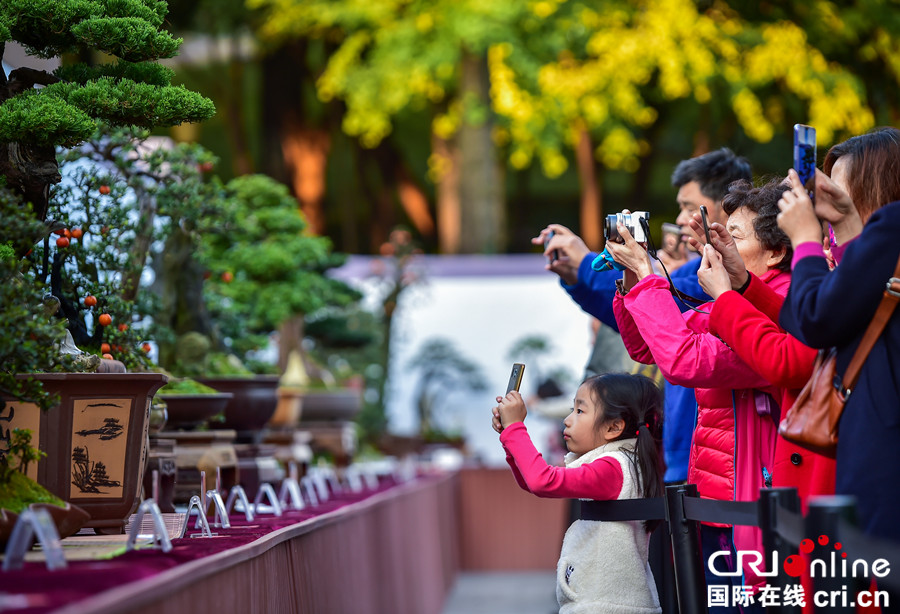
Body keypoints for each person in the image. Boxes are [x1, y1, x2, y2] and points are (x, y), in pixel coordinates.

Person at [608, 179, 796, 611]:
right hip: (716, 497)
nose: (720, 248)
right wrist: (635, 272)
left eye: (736, 237)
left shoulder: (778, 302)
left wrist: (653, 282)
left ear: (776, 252)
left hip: (753, 503)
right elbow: (647, 346)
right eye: (721, 235)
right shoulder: (728, 297)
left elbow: (684, 361)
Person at [533, 148, 752, 484]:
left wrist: (592, 264)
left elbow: (676, 344)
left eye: (690, 208)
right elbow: (643, 327)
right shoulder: (700, 272)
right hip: (693, 458)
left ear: (728, 208)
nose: (681, 220)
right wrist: (595, 272)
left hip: (728, 471)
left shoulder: (717, 278)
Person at [776, 127, 900, 547]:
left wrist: (805, 238)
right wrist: (848, 224)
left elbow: (815, 317)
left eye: (843, 192)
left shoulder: (893, 224)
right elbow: (854, 299)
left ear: (878, 190)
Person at [491, 373, 664, 614]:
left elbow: (542, 481)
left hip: (605, 606)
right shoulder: (623, 462)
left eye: (580, 411)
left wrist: (516, 429)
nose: (568, 420)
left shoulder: (612, 468)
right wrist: (509, 438)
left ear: (614, 427)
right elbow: (533, 482)